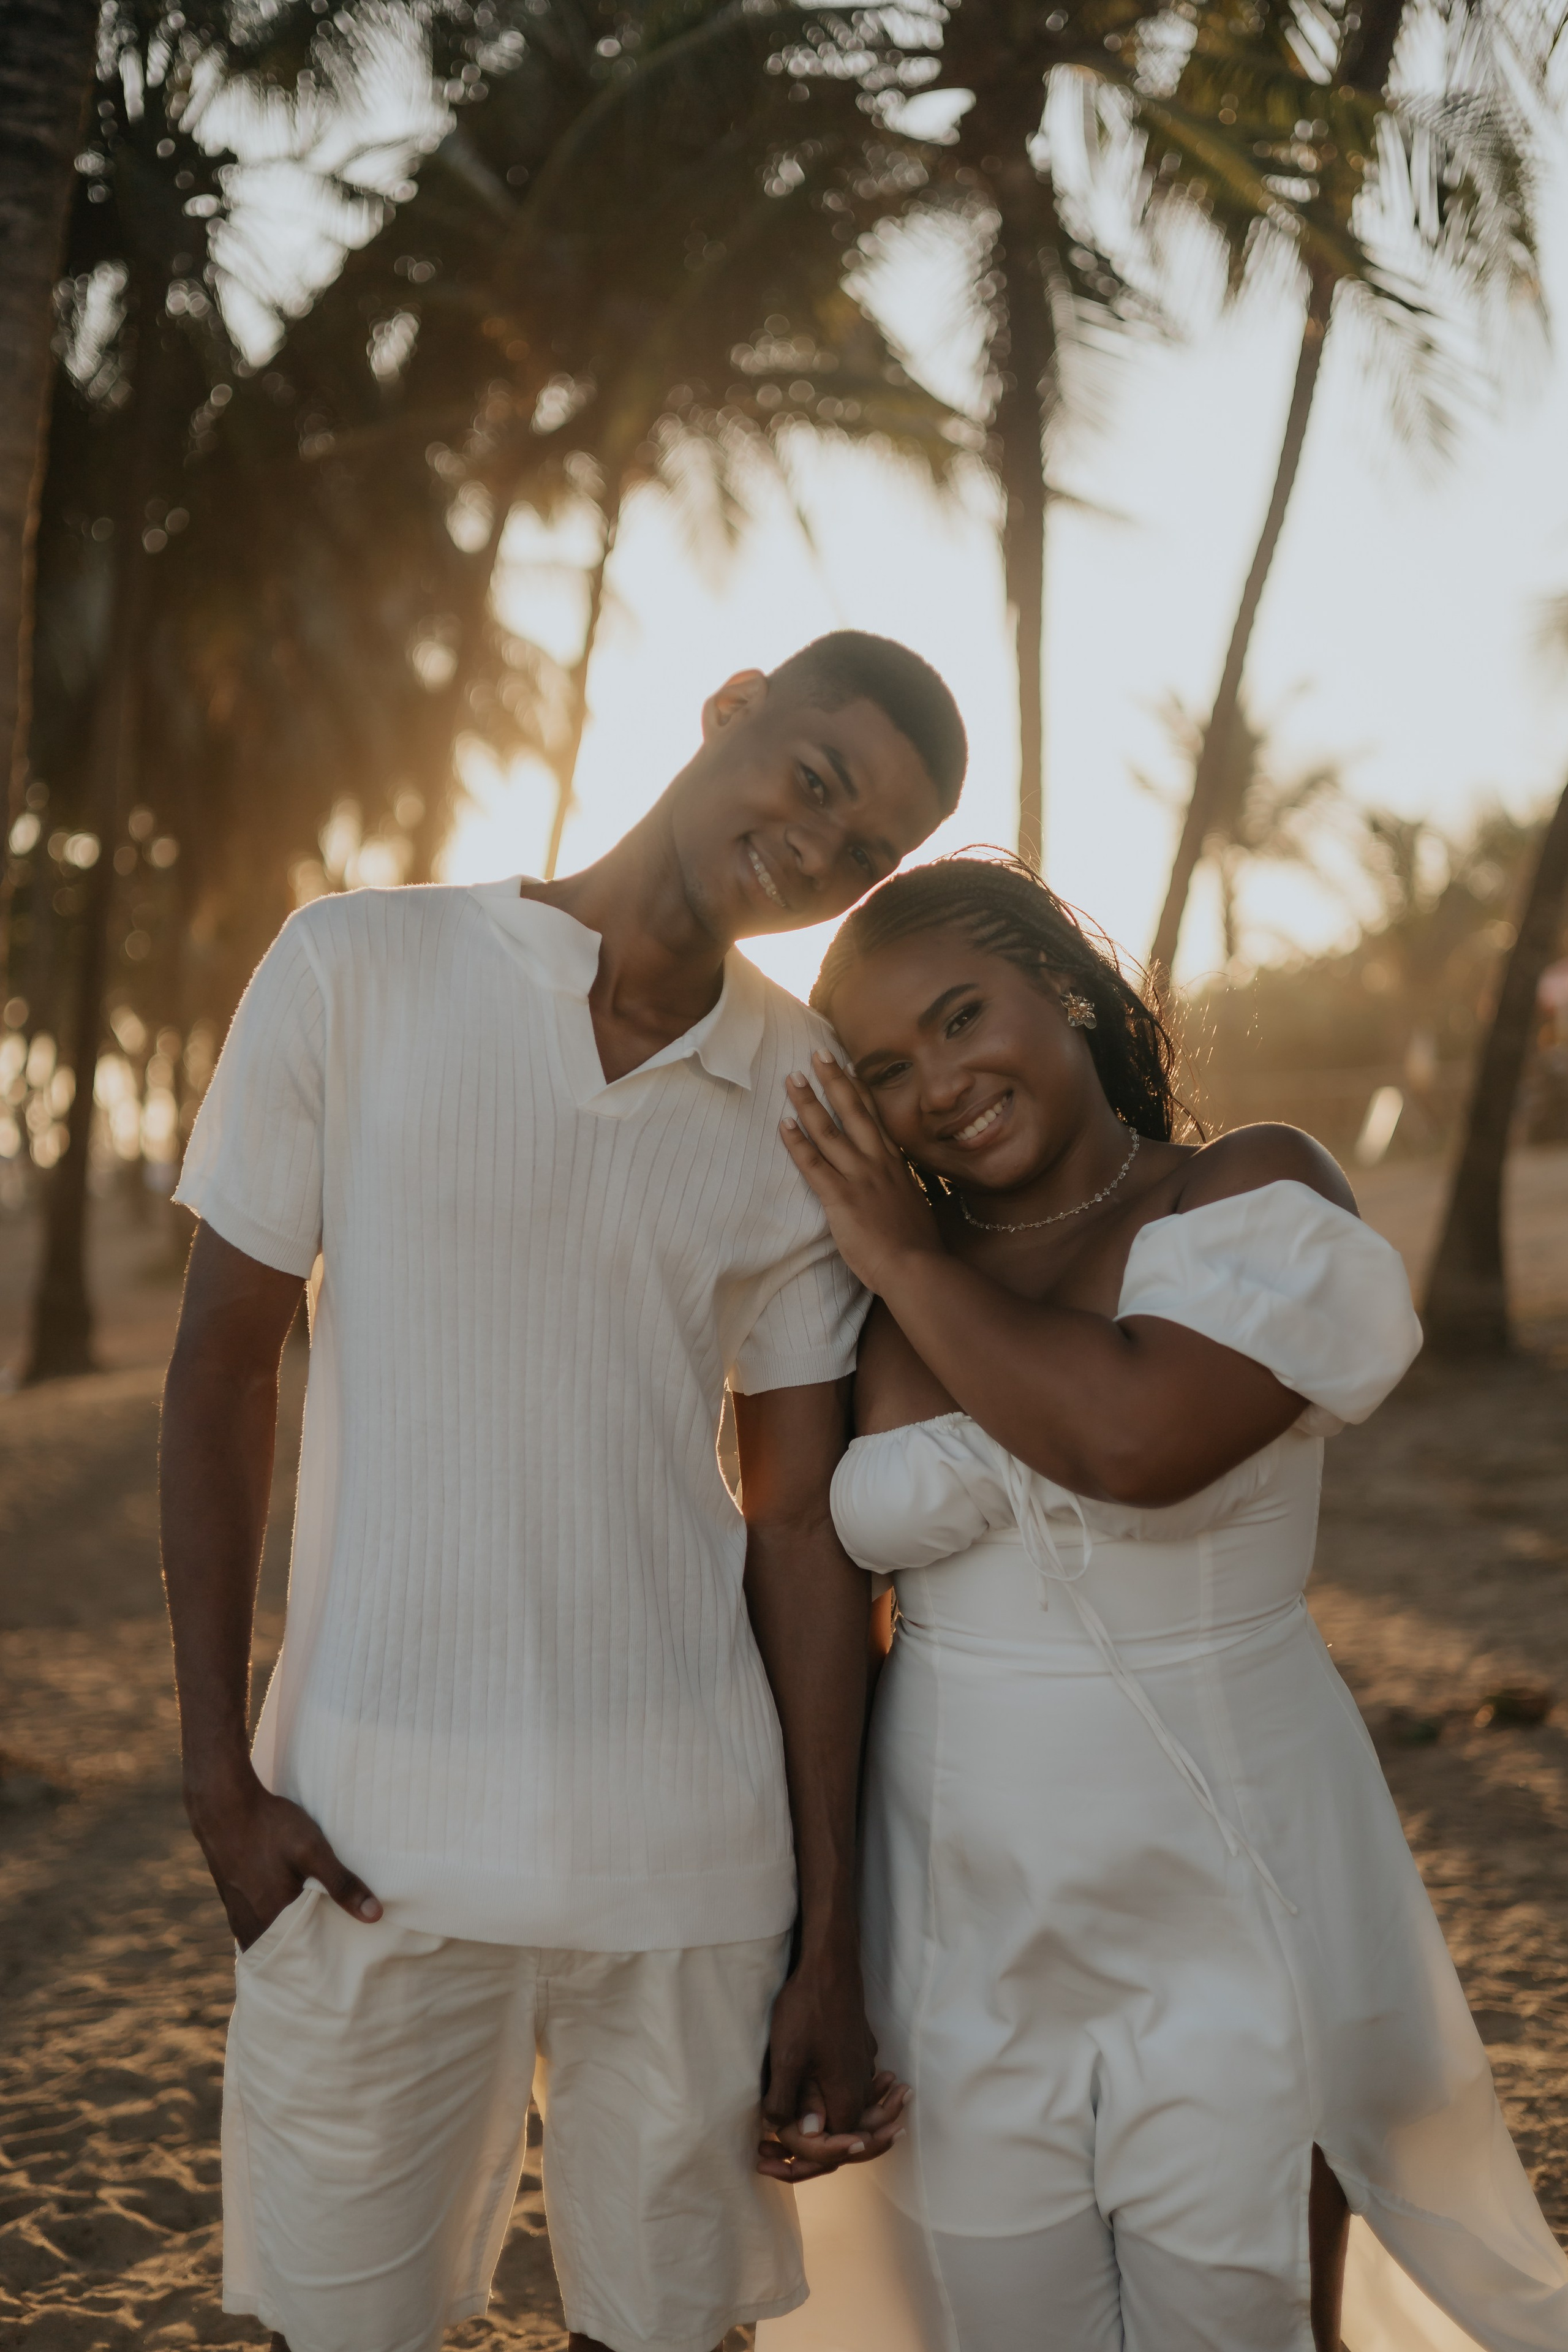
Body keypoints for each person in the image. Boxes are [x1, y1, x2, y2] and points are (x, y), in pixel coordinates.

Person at [157, 631, 965, 2352]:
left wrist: (829, 1935)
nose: (819, 851)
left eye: (868, 850)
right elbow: (225, 1363)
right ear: (730, 706)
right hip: (366, 1839)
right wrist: (217, 1772)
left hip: (686, 1861)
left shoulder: (801, 1100)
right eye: (816, 782)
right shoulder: (355, 965)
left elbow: (800, 1522)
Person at [756, 854, 1568, 2352]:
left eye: (959, 1018)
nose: (937, 1084)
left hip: (1227, 1897)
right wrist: (823, 1944)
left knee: (1239, 2326)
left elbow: (1133, 1442)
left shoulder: (1246, 1188)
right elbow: (800, 1565)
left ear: (1062, 991)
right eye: (884, 1069)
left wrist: (902, 1256)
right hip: (953, 1925)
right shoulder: (857, 1293)